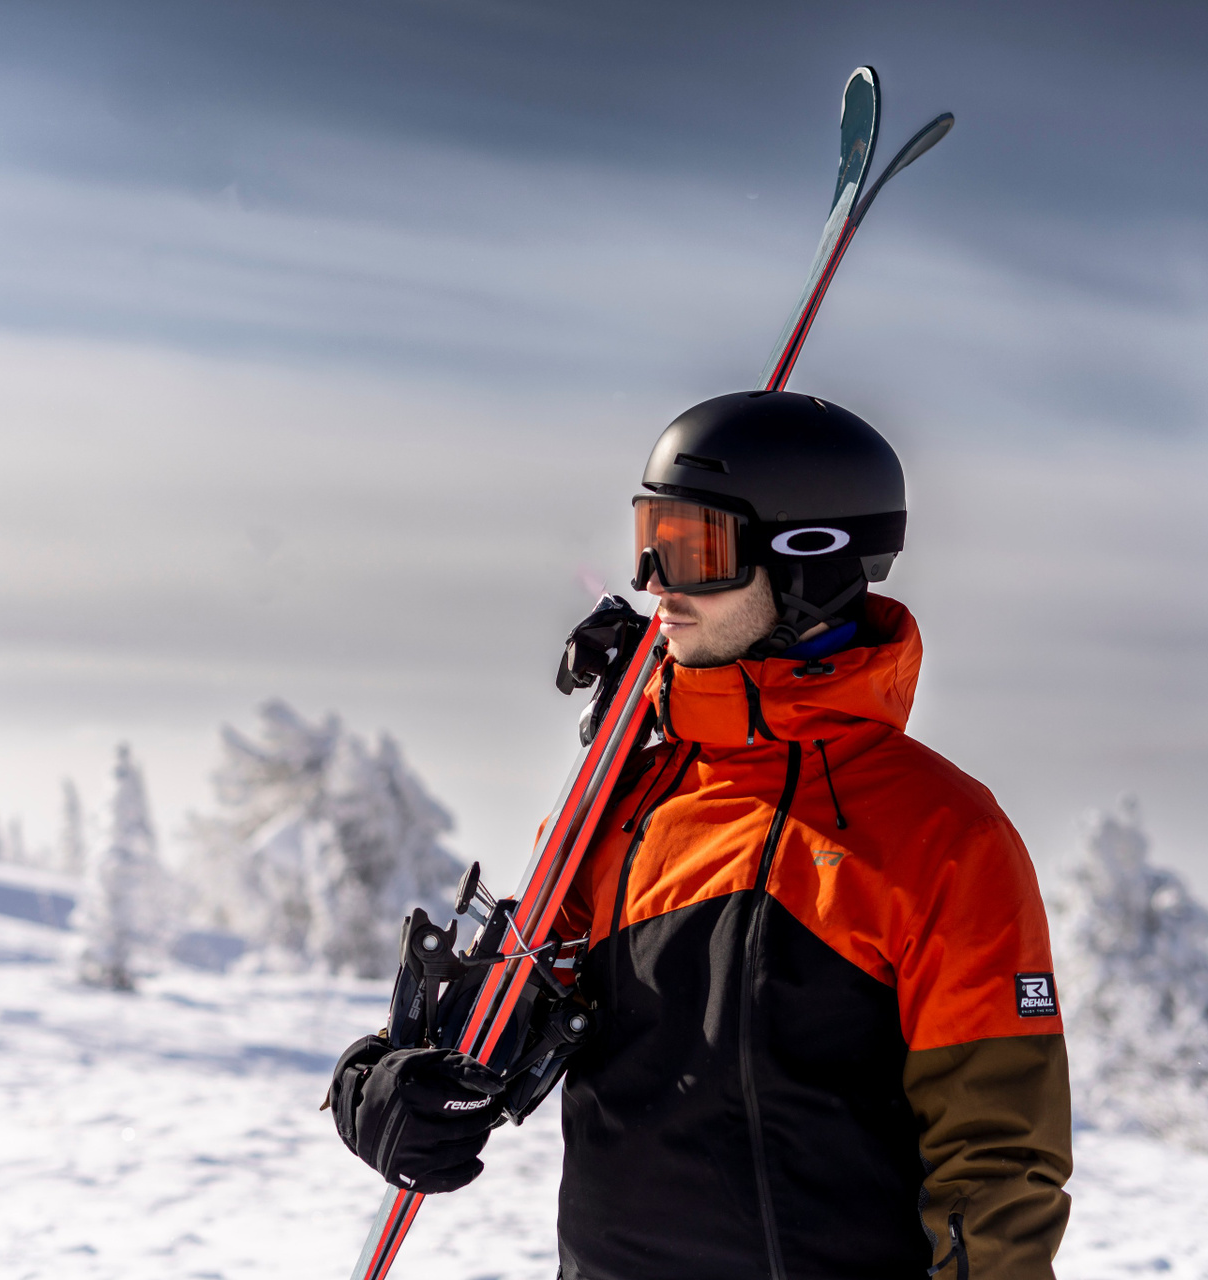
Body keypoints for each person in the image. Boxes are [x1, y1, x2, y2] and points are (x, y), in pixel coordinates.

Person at [329, 390, 1072, 1279]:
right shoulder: (627, 798)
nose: (656, 581)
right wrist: (386, 1082)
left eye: (695, 548)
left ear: (809, 560)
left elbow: (998, 1162)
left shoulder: (941, 833)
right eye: (650, 538)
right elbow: (504, 1018)